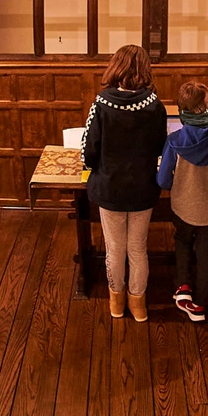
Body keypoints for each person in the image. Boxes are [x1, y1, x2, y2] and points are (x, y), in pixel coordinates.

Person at [80, 45, 167, 322]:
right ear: (145, 69)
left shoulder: (102, 104)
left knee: (115, 249)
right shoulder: (155, 105)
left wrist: (97, 167)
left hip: (110, 188)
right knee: (138, 248)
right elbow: (160, 146)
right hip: (142, 187)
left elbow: (89, 150)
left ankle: (116, 302)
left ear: (115, 66)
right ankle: (138, 304)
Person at [157, 81, 208, 323]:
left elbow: (164, 180)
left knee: (183, 242)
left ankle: (182, 286)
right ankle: (200, 303)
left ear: (181, 112)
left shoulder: (174, 140)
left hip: (183, 207)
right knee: (207, 252)